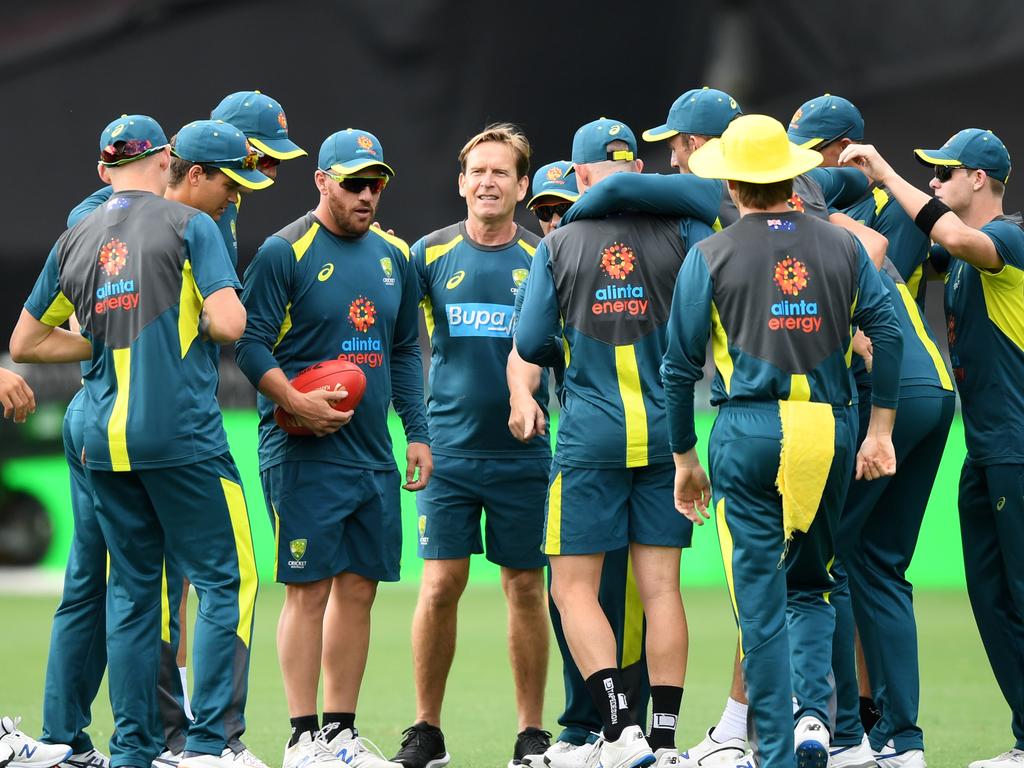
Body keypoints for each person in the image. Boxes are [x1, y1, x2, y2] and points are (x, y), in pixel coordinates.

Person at [10, 114, 262, 768]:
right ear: (167, 161)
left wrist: (100, 339)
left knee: (129, 597)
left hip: (100, 438)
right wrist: (210, 312)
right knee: (223, 581)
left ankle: (132, 752)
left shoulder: (77, 234)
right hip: (176, 432)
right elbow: (231, 322)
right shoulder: (191, 225)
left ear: (104, 170)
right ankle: (208, 747)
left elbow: (26, 343)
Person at [661, 113, 901, 768]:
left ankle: (771, 750)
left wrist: (684, 458)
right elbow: (894, 336)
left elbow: (678, 369)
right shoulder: (843, 247)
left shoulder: (707, 255)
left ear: (733, 184)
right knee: (815, 585)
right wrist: (880, 430)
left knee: (759, 600)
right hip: (826, 429)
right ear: (791, 176)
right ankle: (816, 723)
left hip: (746, 432)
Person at [516, 118, 715, 768]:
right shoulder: (682, 232)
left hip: (589, 439)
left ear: (578, 176)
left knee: (573, 589)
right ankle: (664, 740)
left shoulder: (560, 243)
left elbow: (528, 344)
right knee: (661, 591)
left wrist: (572, 349)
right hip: (667, 437)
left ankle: (617, 729)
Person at [235, 128, 432, 768]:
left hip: (373, 452)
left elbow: (404, 350)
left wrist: (419, 432)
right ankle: (301, 737)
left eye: (376, 183)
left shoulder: (394, 254)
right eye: (354, 183)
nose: (367, 195)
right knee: (308, 589)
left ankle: (339, 735)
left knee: (358, 590)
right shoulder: (282, 251)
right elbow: (249, 344)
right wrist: (293, 401)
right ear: (321, 180)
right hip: (302, 452)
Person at [839, 129, 1024, 768]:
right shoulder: (962, 263)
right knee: (993, 600)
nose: (937, 182)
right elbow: (907, 259)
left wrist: (885, 173)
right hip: (986, 451)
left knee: (1019, 596)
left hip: (1019, 451)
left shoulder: (1008, 239)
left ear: (980, 180)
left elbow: (951, 236)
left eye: (946, 173)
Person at [788, 94, 954, 768]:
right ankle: (900, 741)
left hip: (884, 387)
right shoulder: (843, 208)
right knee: (877, 566)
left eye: (812, 152)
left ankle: (849, 736)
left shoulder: (828, 216)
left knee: (820, 564)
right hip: (930, 385)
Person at [393, 124, 550, 768]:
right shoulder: (427, 256)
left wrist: (532, 399)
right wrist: (415, 433)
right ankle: (426, 730)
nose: (488, 182)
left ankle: (530, 734)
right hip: (449, 454)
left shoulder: (544, 257)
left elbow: (555, 349)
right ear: (461, 183)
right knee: (439, 586)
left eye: (501, 172)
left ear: (522, 185)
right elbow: (401, 346)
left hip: (523, 455)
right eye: (477, 172)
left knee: (525, 587)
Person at [514, 161, 651, 768]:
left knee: (616, 596)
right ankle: (583, 728)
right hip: (601, 445)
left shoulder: (574, 260)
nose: (550, 220)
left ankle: (625, 728)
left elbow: (532, 340)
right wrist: (521, 394)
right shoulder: (553, 265)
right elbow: (524, 351)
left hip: (603, 446)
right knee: (574, 593)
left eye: (560, 209)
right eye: (542, 211)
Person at [210, 90, 307, 265]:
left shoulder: (233, 198)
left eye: (276, 161)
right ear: (227, 141)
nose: (272, 173)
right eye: (264, 158)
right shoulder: (167, 196)